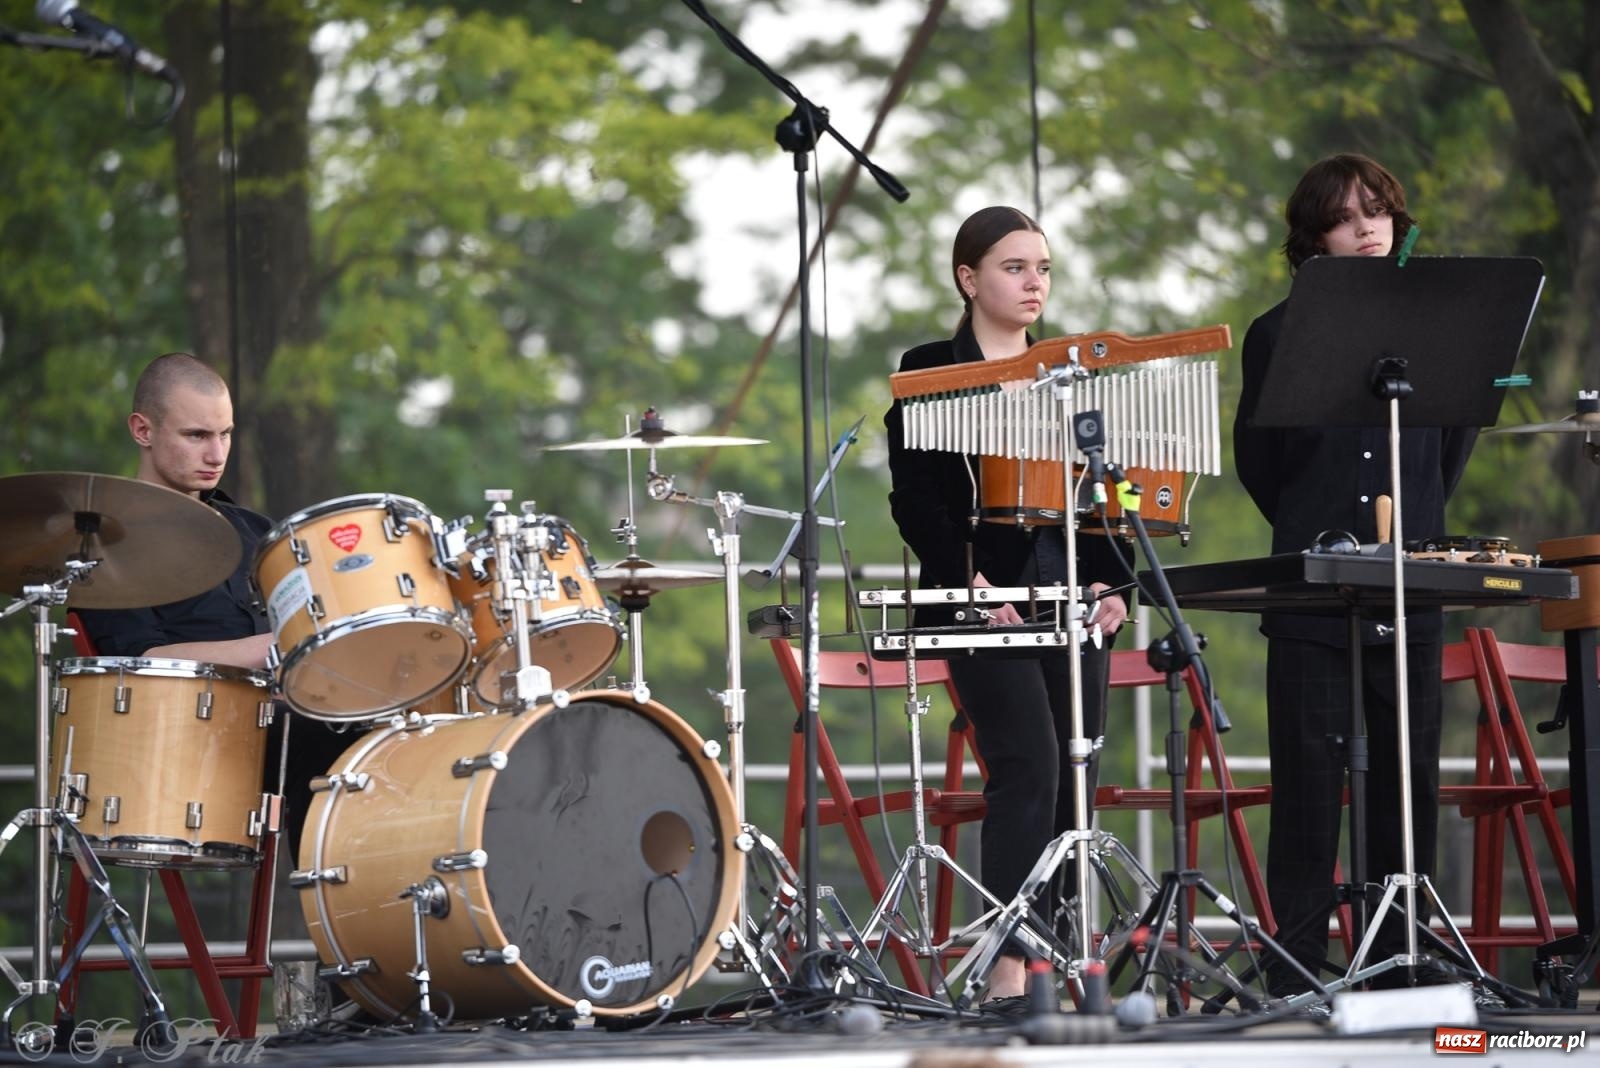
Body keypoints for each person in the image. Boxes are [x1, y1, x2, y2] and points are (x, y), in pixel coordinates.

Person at [1234, 154, 1478, 995]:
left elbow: (1448, 449)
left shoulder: (1436, 327)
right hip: (1311, 598)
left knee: (1405, 795)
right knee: (1308, 786)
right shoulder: (1276, 331)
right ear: (1315, 235)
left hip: (1410, 594)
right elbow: (1260, 465)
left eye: (1377, 210)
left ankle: (1401, 970)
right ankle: (1296, 972)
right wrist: (1319, 526)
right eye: (1345, 216)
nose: (1367, 226)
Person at [885, 206, 1129, 1007]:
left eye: (1044, 269)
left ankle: (1052, 961)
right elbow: (915, 501)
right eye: (1015, 268)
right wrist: (972, 583)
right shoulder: (929, 367)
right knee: (1028, 767)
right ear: (969, 278)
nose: (1035, 284)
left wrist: (1111, 584)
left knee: (1073, 781)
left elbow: (1107, 494)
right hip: (976, 603)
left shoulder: (1068, 369)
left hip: (1070, 603)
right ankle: (1007, 969)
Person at [76, 352, 350, 860]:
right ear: (143, 430)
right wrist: (268, 647)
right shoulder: (106, 540)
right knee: (333, 734)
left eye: (225, 434)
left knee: (393, 721)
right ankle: (342, 907)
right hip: (186, 739)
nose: (217, 452)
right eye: (197, 435)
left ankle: (387, 912)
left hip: (284, 720)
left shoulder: (255, 530)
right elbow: (140, 664)